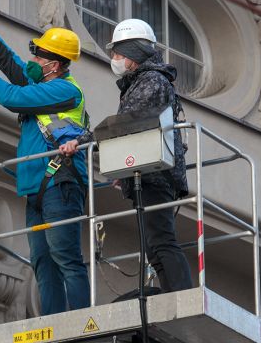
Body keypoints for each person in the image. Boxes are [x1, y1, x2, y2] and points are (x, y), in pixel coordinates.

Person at [0, 20, 91, 316]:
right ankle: (54, 327)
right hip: (39, 189)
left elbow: (13, 98)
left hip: (61, 184)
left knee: (64, 257)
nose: (34, 61)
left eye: (40, 57)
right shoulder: (45, 85)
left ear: (55, 65)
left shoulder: (63, 90)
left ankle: (83, 324)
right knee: (43, 262)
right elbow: (14, 66)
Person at [61, 18, 192, 295]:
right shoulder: (144, 81)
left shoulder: (151, 81)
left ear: (134, 54)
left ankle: (181, 297)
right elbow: (136, 130)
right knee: (153, 245)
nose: (115, 59)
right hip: (148, 174)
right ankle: (174, 295)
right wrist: (124, 172)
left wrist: (83, 141)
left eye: (118, 54)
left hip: (156, 175)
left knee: (161, 239)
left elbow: (127, 124)